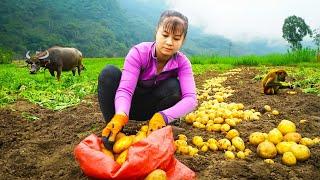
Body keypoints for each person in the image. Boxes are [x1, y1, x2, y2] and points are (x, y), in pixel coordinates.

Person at [98, 10, 198, 149]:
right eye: (165, 35)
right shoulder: (139, 53)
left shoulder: (182, 63)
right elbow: (125, 90)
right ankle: (115, 131)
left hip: (153, 111)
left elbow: (191, 99)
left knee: (174, 86)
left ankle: (158, 129)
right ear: (157, 31)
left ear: (183, 40)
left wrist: (164, 116)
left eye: (176, 38)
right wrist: (121, 114)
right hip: (128, 106)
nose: (169, 42)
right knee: (108, 74)